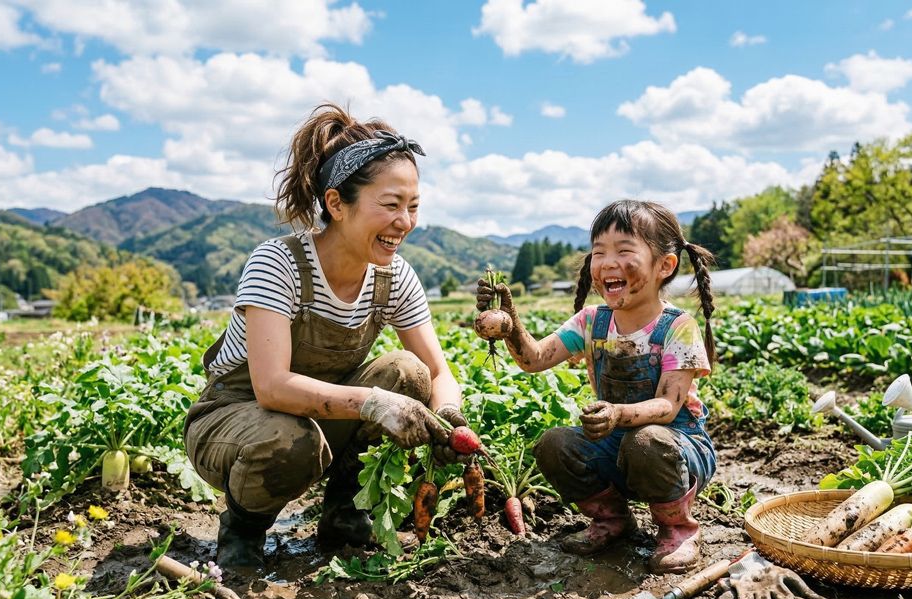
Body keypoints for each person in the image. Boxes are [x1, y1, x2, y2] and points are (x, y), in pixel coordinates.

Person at [185, 103, 471, 568]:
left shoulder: (394, 277)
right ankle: (244, 529)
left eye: (413, 206)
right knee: (288, 437)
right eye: (391, 205)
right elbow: (272, 387)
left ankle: (345, 515)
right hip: (234, 419)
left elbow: (438, 370)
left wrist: (449, 418)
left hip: (317, 417)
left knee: (407, 371)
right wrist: (372, 403)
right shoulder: (278, 264)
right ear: (336, 203)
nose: (406, 221)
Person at [475, 199, 717, 573]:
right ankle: (612, 520)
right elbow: (534, 359)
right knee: (555, 444)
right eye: (599, 252)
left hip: (677, 447)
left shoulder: (677, 326)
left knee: (647, 441)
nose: (607, 263)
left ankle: (678, 528)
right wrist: (509, 324)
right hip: (618, 443)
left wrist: (618, 413)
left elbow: (668, 407)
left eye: (624, 251)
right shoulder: (591, 322)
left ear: (664, 267)